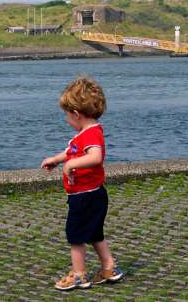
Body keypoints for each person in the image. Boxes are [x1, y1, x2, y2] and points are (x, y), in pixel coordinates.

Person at [41, 76, 124, 291]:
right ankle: (109, 267)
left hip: (85, 196)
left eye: (67, 115)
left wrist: (70, 166)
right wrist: (58, 160)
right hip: (94, 193)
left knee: (76, 236)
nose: (66, 119)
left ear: (76, 114)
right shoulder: (87, 133)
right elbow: (71, 151)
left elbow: (95, 157)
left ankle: (78, 275)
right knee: (95, 233)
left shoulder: (91, 136)